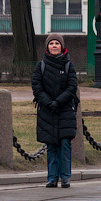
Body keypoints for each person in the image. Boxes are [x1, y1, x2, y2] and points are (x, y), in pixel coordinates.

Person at [32, 33, 79, 188]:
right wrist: (47, 102)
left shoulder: (68, 66)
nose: (54, 46)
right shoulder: (41, 66)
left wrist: (59, 102)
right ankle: (52, 177)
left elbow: (72, 87)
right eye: (51, 43)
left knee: (65, 144)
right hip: (47, 110)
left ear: (62, 46)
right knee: (51, 145)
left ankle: (65, 177)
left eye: (57, 43)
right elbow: (37, 86)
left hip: (64, 110)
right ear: (47, 46)